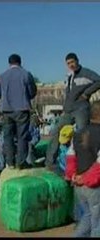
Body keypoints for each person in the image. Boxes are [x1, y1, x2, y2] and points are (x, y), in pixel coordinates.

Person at [46, 53, 100, 169]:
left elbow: (98, 81)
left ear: (77, 61)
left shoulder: (86, 73)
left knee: (82, 134)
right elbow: (68, 95)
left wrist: (86, 94)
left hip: (81, 108)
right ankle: (50, 162)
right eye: (68, 63)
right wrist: (65, 109)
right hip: (69, 110)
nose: (71, 65)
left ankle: (85, 163)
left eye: (72, 62)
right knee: (56, 131)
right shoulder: (69, 76)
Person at [0, 53, 37, 170]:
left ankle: (10, 162)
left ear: (9, 63)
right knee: (22, 136)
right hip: (22, 109)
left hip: (6, 110)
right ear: (20, 62)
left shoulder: (2, 76)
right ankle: (21, 163)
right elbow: (32, 92)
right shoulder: (26, 74)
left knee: (7, 136)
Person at [65, 100, 100, 237]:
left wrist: (73, 175)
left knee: (87, 217)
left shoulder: (78, 133)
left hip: (79, 186)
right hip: (94, 186)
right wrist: (86, 178)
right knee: (97, 224)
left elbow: (70, 156)